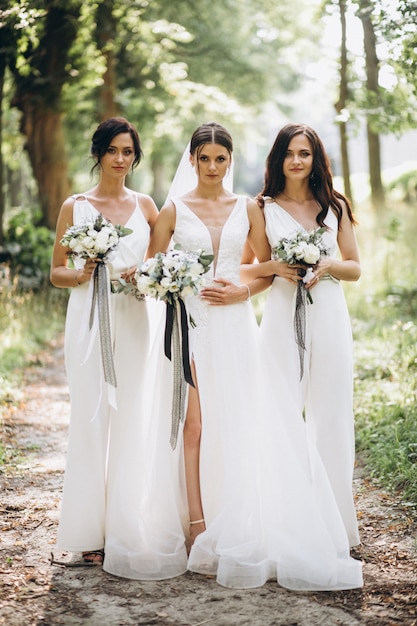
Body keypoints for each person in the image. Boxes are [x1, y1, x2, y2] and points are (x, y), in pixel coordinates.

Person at [147, 121, 363, 590]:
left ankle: (292, 515)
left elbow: (261, 268)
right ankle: (196, 523)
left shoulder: (249, 208)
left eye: (220, 158)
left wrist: (244, 291)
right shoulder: (185, 209)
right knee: (195, 424)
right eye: (203, 158)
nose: (212, 166)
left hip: (241, 322)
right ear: (191, 160)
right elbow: (152, 269)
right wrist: (173, 287)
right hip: (192, 322)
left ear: (231, 159)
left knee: (250, 419)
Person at [50, 117, 187, 578]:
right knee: (90, 419)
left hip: (133, 320)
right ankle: (88, 534)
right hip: (88, 322)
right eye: (113, 150)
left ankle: (127, 527)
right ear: (98, 154)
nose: (120, 159)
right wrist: (82, 271)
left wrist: (149, 274)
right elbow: (56, 273)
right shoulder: (76, 206)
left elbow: (166, 253)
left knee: (132, 419)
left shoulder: (146, 205)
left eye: (128, 151)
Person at [244, 122, 361, 548]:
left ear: (315, 159)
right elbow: (249, 266)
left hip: (329, 315)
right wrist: (276, 267)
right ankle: (283, 521)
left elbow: (355, 266)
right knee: (280, 412)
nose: (297, 161)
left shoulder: (335, 206)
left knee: (331, 413)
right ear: (278, 158)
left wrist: (327, 265)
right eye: (290, 153)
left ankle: (337, 526)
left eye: (305, 154)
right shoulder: (260, 208)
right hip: (279, 316)